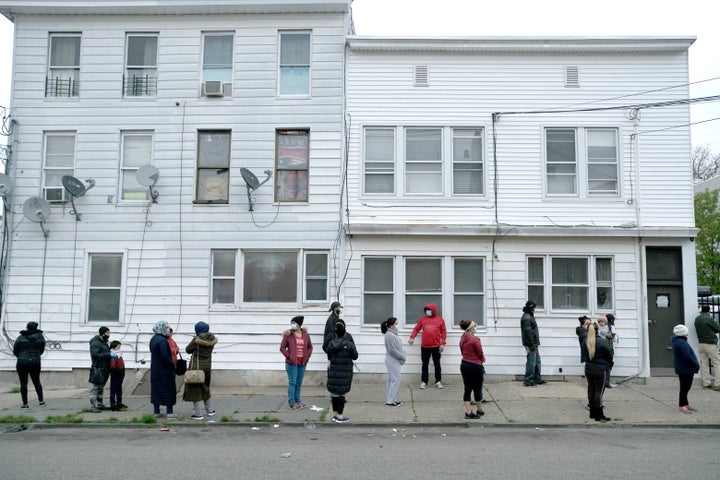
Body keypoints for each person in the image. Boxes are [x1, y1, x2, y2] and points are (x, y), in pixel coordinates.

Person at [183, 321, 218, 420]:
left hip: (196, 368)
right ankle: (210, 411)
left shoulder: (196, 340)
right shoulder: (212, 339)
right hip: (207, 367)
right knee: (206, 387)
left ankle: (198, 414)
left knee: (195, 389)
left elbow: (188, 350)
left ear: (197, 330)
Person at [409, 303, 447, 389]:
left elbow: (444, 332)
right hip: (425, 346)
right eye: (426, 310)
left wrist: (442, 344)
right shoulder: (423, 320)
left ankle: (438, 381)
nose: (427, 311)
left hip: (436, 346)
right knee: (424, 364)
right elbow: (416, 329)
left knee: (437, 364)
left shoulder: (440, 320)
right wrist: (412, 337)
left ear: (433, 310)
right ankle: (424, 381)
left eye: (429, 310)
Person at [326, 321, 358, 423]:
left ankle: (335, 413)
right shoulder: (349, 345)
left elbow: (329, 356)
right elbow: (355, 356)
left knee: (334, 393)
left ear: (336, 334)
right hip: (345, 372)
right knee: (341, 394)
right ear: (344, 333)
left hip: (334, 371)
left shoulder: (331, 344)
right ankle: (340, 416)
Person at [280, 316, 313, 410]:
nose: (292, 325)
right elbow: (282, 348)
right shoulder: (288, 335)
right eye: (292, 323)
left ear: (299, 324)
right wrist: (289, 356)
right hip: (291, 363)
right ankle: (292, 402)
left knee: (298, 382)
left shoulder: (305, 335)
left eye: (294, 323)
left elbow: (310, 347)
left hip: (302, 363)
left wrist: (308, 355)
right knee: (292, 382)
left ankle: (298, 401)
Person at [582, 322, 613, 422]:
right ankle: (599, 415)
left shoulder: (585, 341)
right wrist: (610, 364)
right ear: (597, 330)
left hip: (588, 369)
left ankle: (592, 413)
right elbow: (609, 355)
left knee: (591, 389)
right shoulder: (602, 342)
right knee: (599, 392)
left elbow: (584, 355)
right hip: (600, 370)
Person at [13, 321, 46, 408]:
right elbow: (41, 350)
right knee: (36, 381)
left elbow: (15, 350)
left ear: (27, 328)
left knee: (23, 383)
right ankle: (41, 401)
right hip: (35, 361)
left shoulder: (20, 337)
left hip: (22, 361)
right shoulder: (40, 337)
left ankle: (25, 403)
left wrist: (21, 356)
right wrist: (36, 356)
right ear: (36, 328)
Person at [149, 321, 177, 418]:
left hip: (155, 369)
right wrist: (172, 365)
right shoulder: (162, 341)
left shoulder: (153, 339)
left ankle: (156, 412)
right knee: (168, 390)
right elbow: (165, 355)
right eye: (167, 327)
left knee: (156, 390)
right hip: (165, 370)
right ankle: (170, 412)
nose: (168, 329)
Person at [459, 320, 485, 419]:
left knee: (467, 388)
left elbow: (462, 351)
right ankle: (479, 410)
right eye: (474, 326)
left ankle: (468, 412)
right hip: (475, 366)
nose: (475, 327)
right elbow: (480, 353)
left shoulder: (462, 339)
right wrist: (482, 360)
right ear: (470, 328)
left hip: (464, 365)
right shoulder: (475, 340)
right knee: (477, 388)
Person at [671, 324, 700, 412]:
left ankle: (685, 403)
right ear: (684, 333)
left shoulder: (677, 341)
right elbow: (687, 356)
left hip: (683, 368)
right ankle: (681, 405)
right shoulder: (682, 343)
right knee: (685, 387)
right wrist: (695, 364)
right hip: (686, 368)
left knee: (685, 386)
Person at [693, 305, 720, 389]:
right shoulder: (708, 318)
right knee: (717, 363)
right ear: (709, 310)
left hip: (701, 343)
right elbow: (718, 329)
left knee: (704, 364)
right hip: (710, 343)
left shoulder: (697, 319)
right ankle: (717, 383)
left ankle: (706, 383)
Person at [381, 317, 406, 406]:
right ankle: (390, 401)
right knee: (395, 380)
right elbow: (392, 350)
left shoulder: (393, 334)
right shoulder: (390, 335)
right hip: (392, 360)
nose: (397, 326)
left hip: (395, 360)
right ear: (391, 325)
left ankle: (392, 399)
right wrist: (402, 356)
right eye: (396, 324)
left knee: (392, 380)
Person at [520, 300, 545, 387]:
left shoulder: (529, 316)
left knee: (537, 361)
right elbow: (528, 332)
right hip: (531, 344)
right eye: (533, 307)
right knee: (531, 362)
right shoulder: (527, 317)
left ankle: (537, 379)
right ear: (530, 307)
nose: (534, 309)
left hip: (534, 343)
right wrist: (532, 345)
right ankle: (528, 381)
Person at [88, 326, 112, 412]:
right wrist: (109, 355)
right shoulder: (96, 343)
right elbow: (95, 355)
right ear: (103, 333)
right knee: (95, 388)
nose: (109, 335)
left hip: (105, 368)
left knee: (101, 388)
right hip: (98, 368)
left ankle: (100, 404)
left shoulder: (104, 343)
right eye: (107, 333)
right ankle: (93, 406)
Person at [597, 315, 617, 388]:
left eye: (602, 321)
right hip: (600, 350)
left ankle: (607, 382)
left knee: (608, 366)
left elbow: (611, 336)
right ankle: (601, 382)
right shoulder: (597, 328)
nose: (600, 323)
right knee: (600, 365)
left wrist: (603, 332)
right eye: (599, 321)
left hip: (609, 349)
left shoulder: (610, 327)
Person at [109, 340, 127, 411]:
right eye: (118, 347)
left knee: (119, 389)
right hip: (116, 373)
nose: (119, 349)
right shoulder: (113, 355)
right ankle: (113, 405)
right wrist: (118, 370)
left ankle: (119, 402)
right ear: (113, 347)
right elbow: (113, 366)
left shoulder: (118, 354)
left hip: (120, 373)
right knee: (114, 389)